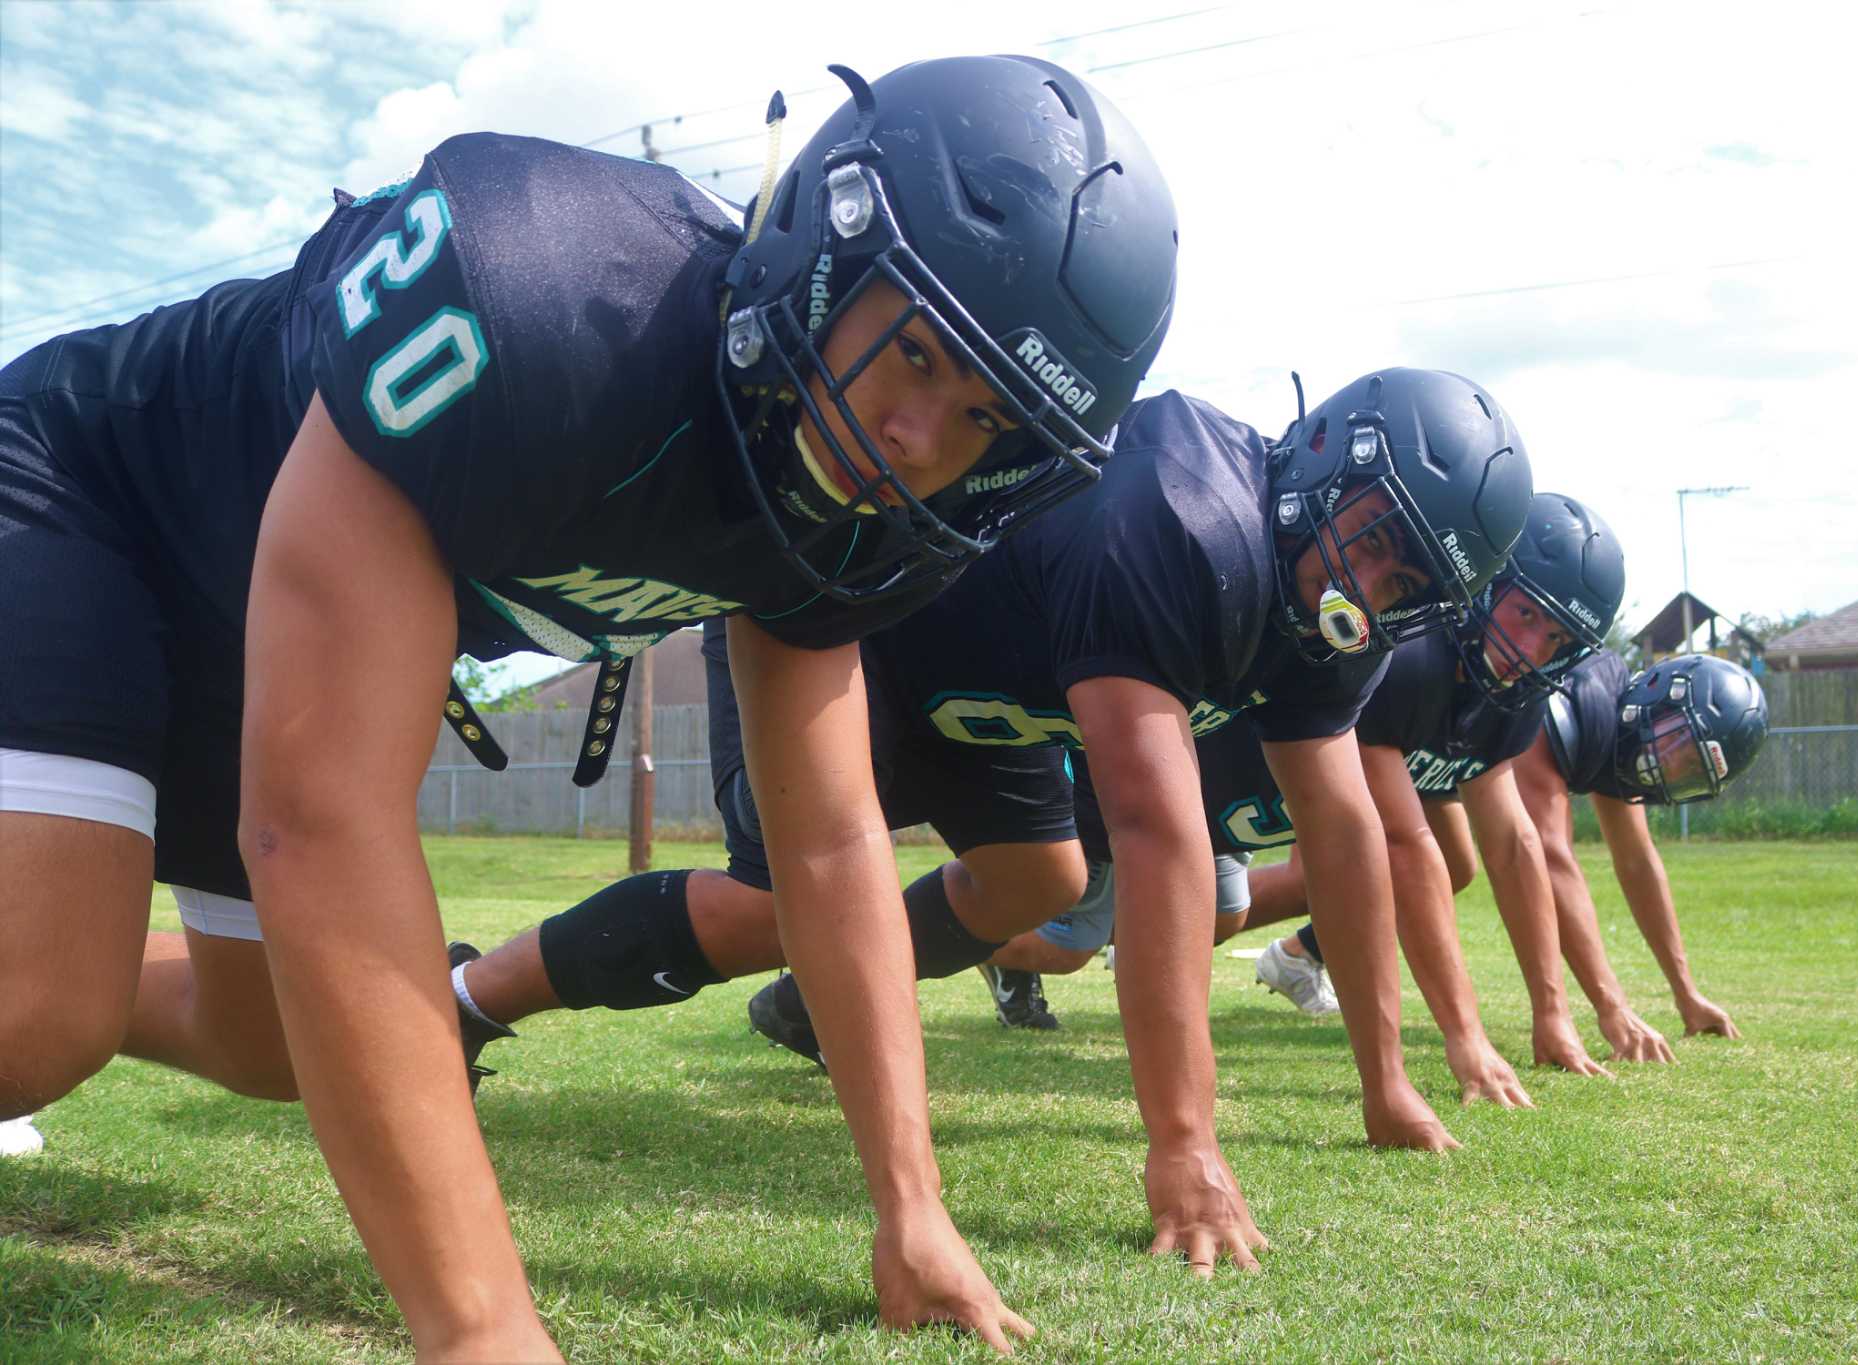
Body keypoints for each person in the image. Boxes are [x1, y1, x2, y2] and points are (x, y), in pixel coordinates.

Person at [0, 55, 1177, 1358]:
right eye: (918, 352)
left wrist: (912, 1204)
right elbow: (321, 816)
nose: (918, 437)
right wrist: (483, 1328)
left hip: (262, 613)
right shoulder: (543, 290)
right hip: (94, 494)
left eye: (982, 416)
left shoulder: (851, 520)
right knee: (35, 1014)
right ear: (831, 248)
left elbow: (833, 842)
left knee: (278, 1040)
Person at [453, 368, 1536, 1273]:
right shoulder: (1184, 520)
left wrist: (1384, 1078)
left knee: (1039, 880)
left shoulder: (1337, 623)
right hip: (853, 631)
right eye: (1372, 534)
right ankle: (469, 996)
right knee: (776, 903)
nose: (1368, 581)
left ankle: (809, 1007)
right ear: (1319, 459)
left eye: (1407, 582)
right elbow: (1160, 837)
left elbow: (1344, 836)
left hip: (985, 695)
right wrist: (1182, 1145)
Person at [1165, 495, 1627, 1094]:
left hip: (1253, 820)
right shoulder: (1409, 652)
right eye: (1526, 615)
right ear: (1487, 587)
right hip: (1191, 789)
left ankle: (1288, 952)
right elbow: (1405, 846)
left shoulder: (1509, 695)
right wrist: (1467, 1036)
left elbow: (1515, 845)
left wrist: (1554, 1013)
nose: (1530, 650)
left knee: (1437, 864)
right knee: (1069, 921)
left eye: (1556, 638)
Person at [1501, 649, 1769, 1043]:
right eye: (1681, 742)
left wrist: (1686, 992)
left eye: (1692, 771)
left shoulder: (1622, 736)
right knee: (1444, 867)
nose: (1672, 767)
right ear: (1658, 694)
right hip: (1416, 739)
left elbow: (1637, 861)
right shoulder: (1578, 702)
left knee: (1453, 868)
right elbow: (1550, 856)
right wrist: (1613, 1007)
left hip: (1444, 780)